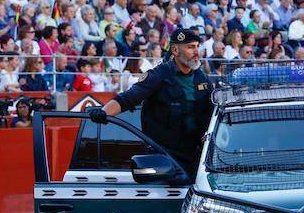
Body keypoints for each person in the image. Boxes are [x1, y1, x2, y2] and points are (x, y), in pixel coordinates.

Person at [89, 28, 213, 178]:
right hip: (166, 160)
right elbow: (128, 98)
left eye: (197, 46)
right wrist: (103, 112)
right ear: (175, 50)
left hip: (197, 158)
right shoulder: (158, 76)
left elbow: (213, 111)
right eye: (190, 47)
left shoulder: (202, 78)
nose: (196, 52)